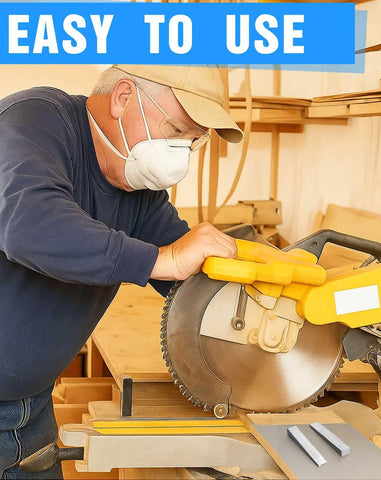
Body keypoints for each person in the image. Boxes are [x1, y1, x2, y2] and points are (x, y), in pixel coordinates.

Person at [0, 64, 243, 479]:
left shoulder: (139, 192)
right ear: (123, 97)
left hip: (31, 407)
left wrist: (266, 296)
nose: (181, 152)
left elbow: (194, 277)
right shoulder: (34, 119)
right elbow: (29, 223)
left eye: (193, 141)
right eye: (176, 129)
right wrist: (159, 259)